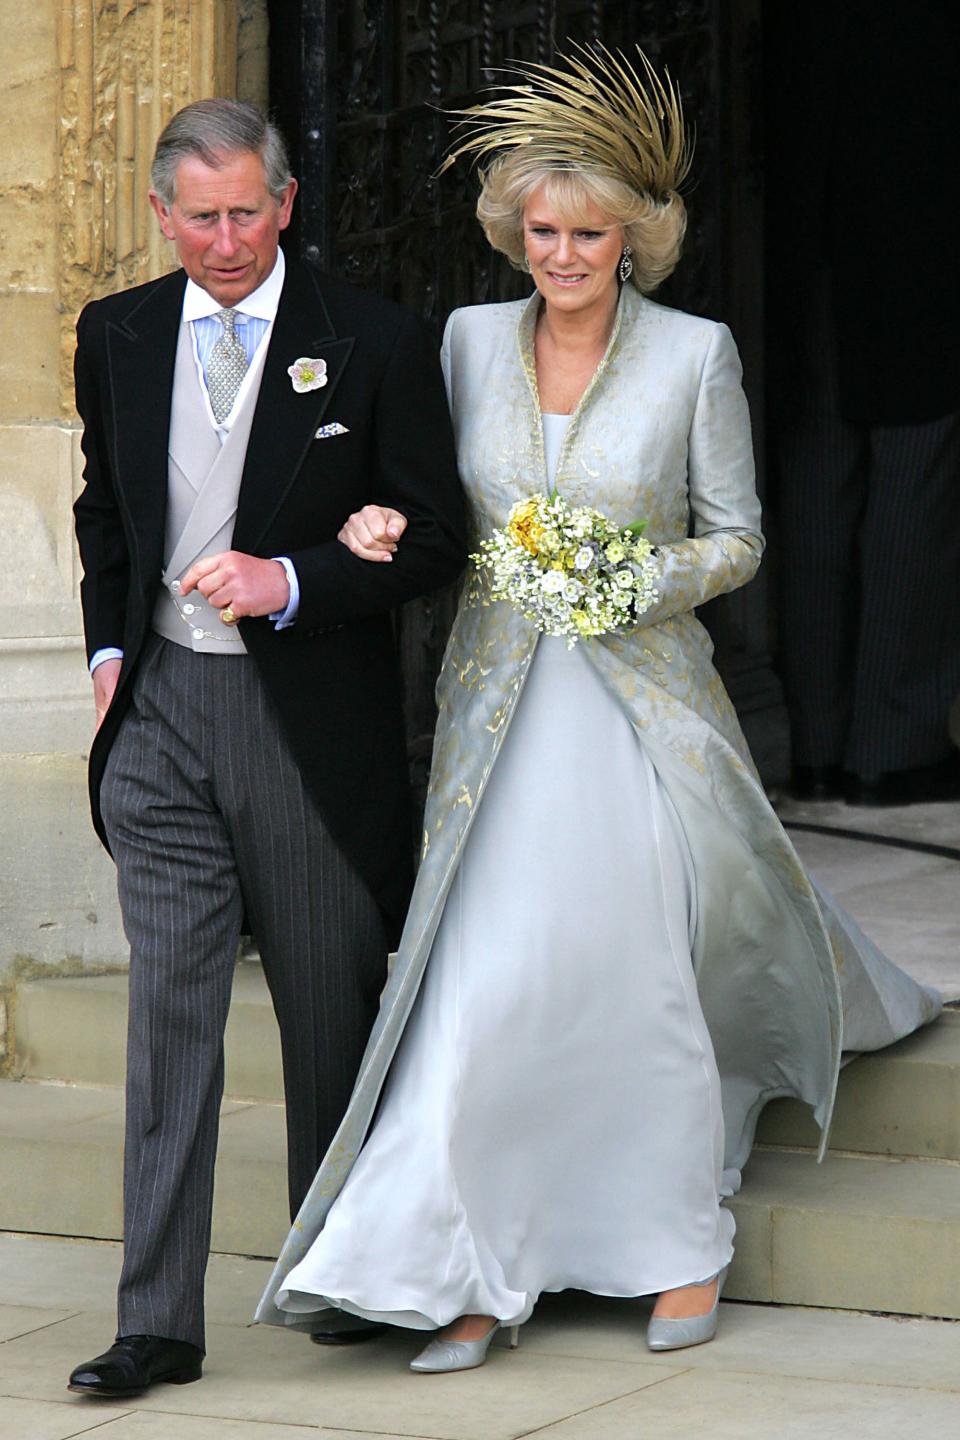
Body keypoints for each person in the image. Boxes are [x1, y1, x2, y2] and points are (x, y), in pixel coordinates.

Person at [255, 48, 941, 1371]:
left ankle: (679, 1245)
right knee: (485, 991)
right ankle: (468, 1264)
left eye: (587, 234)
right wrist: (385, 520)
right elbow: (429, 502)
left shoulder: (696, 357)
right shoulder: (460, 343)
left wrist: (636, 572)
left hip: (639, 719)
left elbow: (735, 538)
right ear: (516, 233)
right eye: (542, 232)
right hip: (496, 721)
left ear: (635, 239)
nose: (561, 254)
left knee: (634, 984)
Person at [67, 99, 467, 1399]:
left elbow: (430, 526)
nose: (226, 239)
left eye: (248, 211)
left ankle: (338, 1267)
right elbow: (105, 510)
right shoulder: (116, 333)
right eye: (201, 216)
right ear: (160, 213)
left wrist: (290, 578)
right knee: (168, 1017)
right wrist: (109, 659)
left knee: (326, 1004)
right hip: (162, 715)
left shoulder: (376, 338)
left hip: (305, 722)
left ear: (285, 203)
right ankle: (156, 1322)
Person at [765, 1, 960, 805]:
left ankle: (817, 745)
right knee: (917, 477)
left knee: (820, 481)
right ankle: (892, 747)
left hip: (811, 245)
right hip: (923, 246)